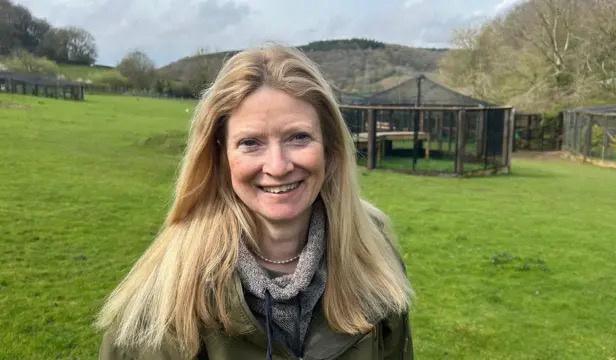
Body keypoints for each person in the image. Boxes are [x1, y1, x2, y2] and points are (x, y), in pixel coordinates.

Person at [98, 45, 413, 359]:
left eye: (298, 137)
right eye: (250, 143)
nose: (277, 166)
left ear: (329, 146)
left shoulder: (373, 252)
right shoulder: (165, 295)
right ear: (221, 155)